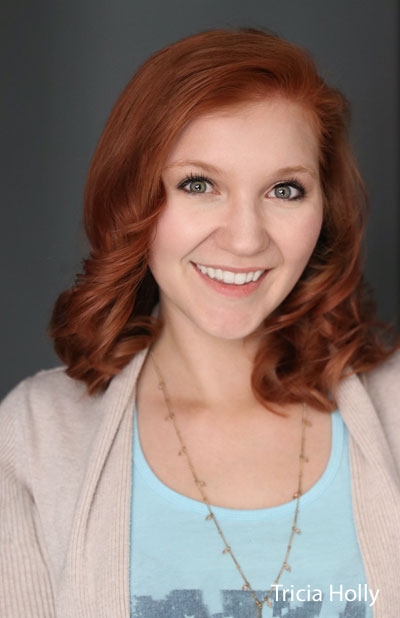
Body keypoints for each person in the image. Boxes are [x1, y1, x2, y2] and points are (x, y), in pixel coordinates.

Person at [1, 27, 399, 618]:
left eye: (285, 189)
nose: (245, 239)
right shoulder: (37, 437)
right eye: (199, 184)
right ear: (133, 200)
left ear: (325, 209)